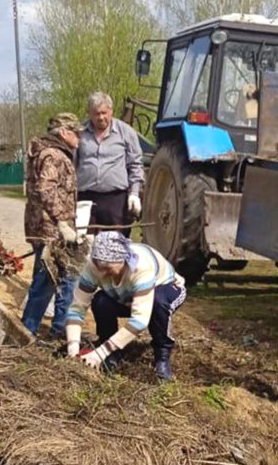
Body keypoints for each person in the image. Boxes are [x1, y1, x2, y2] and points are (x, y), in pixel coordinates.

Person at [65, 232, 186, 380]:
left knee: (157, 303)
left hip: (164, 289)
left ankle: (161, 356)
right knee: (101, 301)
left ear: (123, 260)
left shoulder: (141, 268)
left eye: (108, 269)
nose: (101, 274)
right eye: (98, 268)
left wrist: (100, 353)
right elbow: (77, 308)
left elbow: (140, 320)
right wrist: (73, 346)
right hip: (125, 296)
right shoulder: (92, 267)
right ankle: (112, 353)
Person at [21, 112, 84, 338]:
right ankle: (26, 331)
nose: (79, 138)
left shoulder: (46, 152)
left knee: (67, 276)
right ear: (64, 132)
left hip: (47, 228)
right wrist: (62, 222)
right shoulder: (53, 155)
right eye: (76, 133)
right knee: (46, 280)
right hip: (52, 231)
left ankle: (60, 328)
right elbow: (46, 188)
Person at [76, 92, 144, 233]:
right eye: (96, 114)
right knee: (84, 241)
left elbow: (135, 164)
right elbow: (72, 164)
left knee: (115, 242)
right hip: (85, 199)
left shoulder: (126, 132)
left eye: (104, 113)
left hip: (115, 201)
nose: (101, 117)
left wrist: (134, 193)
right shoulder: (79, 133)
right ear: (89, 113)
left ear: (111, 111)